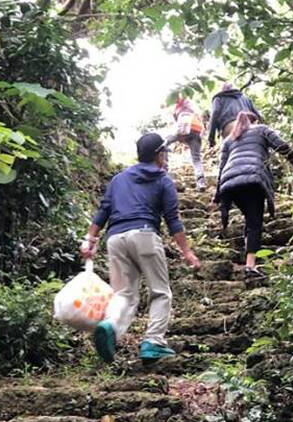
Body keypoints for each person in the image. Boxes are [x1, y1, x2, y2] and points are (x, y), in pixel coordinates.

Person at [80, 132, 202, 363]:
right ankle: (153, 342)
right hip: (145, 235)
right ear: (158, 155)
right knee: (160, 292)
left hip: (115, 239)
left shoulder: (118, 179)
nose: (165, 156)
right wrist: (186, 251)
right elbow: (173, 219)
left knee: (124, 293)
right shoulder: (163, 180)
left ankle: (110, 325)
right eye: (164, 152)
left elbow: (103, 211)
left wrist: (89, 240)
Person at [214, 111, 293, 280]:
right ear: (253, 121)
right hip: (253, 179)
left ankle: (249, 256)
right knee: (255, 222)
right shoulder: (261, 129)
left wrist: (218, 195)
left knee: (250, 218)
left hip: (230, 184)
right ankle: (250, 265)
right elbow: (280, 145)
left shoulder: (229, 139)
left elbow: (222, 166)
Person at [164, 95, 207, 191]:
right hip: (197, 129)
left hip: (184, 128)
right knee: (196, 159)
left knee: (164, 143)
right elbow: (200, 117)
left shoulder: (177, 106)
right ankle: (201, 183)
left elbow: (176, 124)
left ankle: (164, 171)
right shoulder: (193, 106)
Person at [207, 82, 263, 148]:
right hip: (249, 125)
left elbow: (215, 114)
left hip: (230, 127)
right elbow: (258, 115)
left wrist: (211, 138)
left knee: (234, 150)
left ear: (222, 90)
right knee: (253, 148)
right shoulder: (245, 98)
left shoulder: (218, 98)